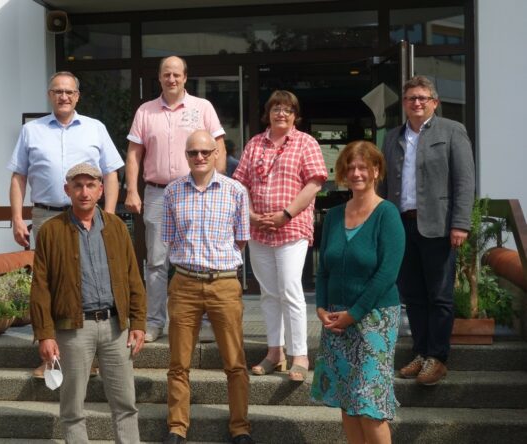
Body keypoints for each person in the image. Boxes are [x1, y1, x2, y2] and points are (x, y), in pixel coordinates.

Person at [8, 71, 124, 377]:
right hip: (47, 216)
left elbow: (111, 173)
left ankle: (92, 356)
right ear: (49, 95)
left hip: (89, 216)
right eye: (58, 91)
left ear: (77, 96)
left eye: (69, 92)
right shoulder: (32, 131)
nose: (64, 96)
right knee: (49, 286)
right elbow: (18, 176)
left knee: (90, 283)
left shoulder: (95, 128)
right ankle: (51, 357)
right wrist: (17, 217)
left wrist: (108, 216)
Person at [30, 162, 146, 444]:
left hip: (115, 326)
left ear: (101, 190)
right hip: (73, 328)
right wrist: (45, 334)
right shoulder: (50, 231)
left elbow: (133, 276)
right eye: (78, 186)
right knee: (72, 407)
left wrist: (138, 322)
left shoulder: (116, 226)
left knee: (126, 404)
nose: (84, 192)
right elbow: (40, 287)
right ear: (67, 190)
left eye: (91, 185)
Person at [378, 75, 475, 385]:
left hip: (438, 225)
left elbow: (464, 180)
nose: (416, 103)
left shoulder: (452, 131)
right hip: (400, 224)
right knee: (413, 295)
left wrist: (460, 223)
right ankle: (420, 353)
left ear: (434, 102)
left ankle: (438, 357)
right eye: (410, 98)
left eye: (422, 97)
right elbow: (383, 184)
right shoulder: (393, 136)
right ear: (404, 104)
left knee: (440, 296)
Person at [125, 55, 226, 344]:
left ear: (185, 77)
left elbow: (217, 146)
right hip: (157, 192)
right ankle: (155, 322)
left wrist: (215, 185)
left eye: (176, 74)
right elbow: (134, 154)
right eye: (166, 74)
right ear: (159, 78)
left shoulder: (202, 107)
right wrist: (132, 190)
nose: (171, 79)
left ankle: (202, 321)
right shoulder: (146, 111)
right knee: (156, 261)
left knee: (199, 256)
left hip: (194, 190)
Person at [161, 130, 253, 444]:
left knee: (235, 363)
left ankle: (240, 428)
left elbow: (240, 240)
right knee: (178, 363)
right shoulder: (172, 192)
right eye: (192, 153)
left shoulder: (236, 191)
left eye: (205, 152)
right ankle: (177, 427)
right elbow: (170, 238)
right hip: (184, 283)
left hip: (224, 283)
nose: (199, 157)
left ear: (216, 153)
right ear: (185, 156)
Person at [310, 141, 405, 444]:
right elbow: (323, 268)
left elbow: (387, 274)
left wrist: (355, 314)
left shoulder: (387, 214)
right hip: (337, 319)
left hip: (374, 319)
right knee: (347, 403)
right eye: (350, 167)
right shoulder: (335, 215)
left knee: (369, 407)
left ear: (376, 170)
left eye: (363, 166)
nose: (356, 172)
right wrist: (321, 307)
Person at [232, 90, 327, 382]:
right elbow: (240, 184)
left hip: (292, 226)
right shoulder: (254, 143)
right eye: (276, 109)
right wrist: (249, 215)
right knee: (269, 293)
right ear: (268, 113)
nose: (281, 114)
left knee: (289, 289)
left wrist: (286, 214)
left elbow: (314, 184)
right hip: (259, 228)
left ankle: (300, 355)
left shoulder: (305, 142)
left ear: (295, 115)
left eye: (287, 110)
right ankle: (275, 352)